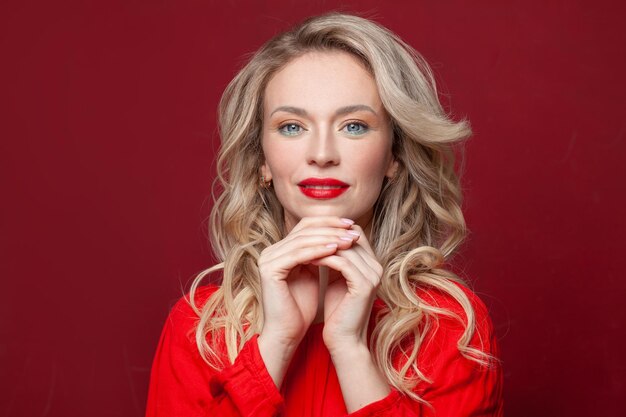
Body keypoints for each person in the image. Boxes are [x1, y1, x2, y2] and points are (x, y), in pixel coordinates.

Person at [146, 12, 503, 417]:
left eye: (353, 126)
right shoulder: (200, 329)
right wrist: (277, 342)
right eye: (292, 127)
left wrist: (350, 348)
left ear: (395, 156)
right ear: (261, 159)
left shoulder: (450, 327)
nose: (321, 154)